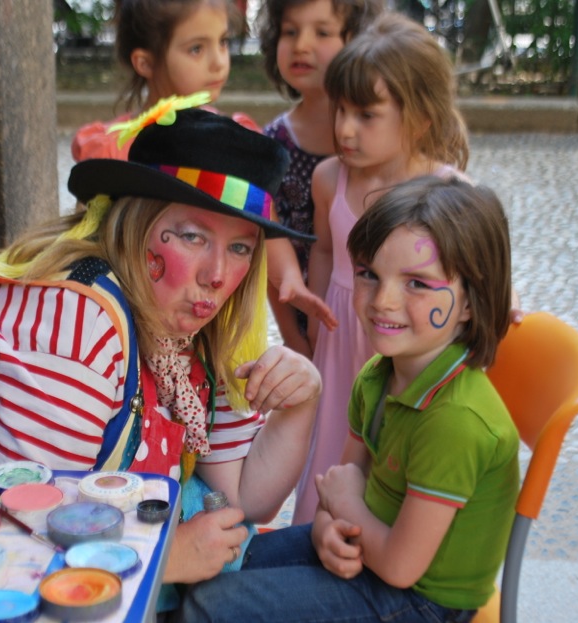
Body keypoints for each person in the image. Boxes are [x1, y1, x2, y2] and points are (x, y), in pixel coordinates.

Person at [0, 104, 322, 604]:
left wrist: (302, 401)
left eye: (241, 248)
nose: (217, 274)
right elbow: (17, 529)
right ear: (135, 222)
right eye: (192, 236)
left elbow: (241, 500)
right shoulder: (80, 320)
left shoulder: (194, 323)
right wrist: (162, 555)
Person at [174, 175, 520, 623]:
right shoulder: (378, 376)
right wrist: (324, 532)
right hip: (370, 552)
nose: (384, 301)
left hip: (425, 601)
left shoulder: (456, 419)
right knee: (219, 565)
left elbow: (398, 564)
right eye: (369, 275)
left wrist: (347, 506)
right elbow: (343, 486)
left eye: (416, 283)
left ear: (471, 302)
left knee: (210, 606)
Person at [292, 12, 471, 522]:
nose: (344, 129)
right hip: (343, 340)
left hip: (407, 348)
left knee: (392, 463)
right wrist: (316, 317)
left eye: (366, 115)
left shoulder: (451, 192)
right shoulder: (330, 179)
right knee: (329, 454)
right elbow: (326, 248)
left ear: (419, 119)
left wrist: (506, 298)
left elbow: (477, 271)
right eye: (340, 110)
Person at [260, 0, 383, 359]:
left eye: (323, 32)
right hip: (309, 337)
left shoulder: (381, 141)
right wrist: (293, 339)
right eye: (290, 31)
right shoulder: (271, 146)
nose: (302, 45)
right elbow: (266, 249)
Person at [71, 0, 259, 162]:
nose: (219, 63)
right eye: (196, 49)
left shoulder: (235, 140)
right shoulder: (112, 153)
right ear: (146, 63)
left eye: (223, 42)